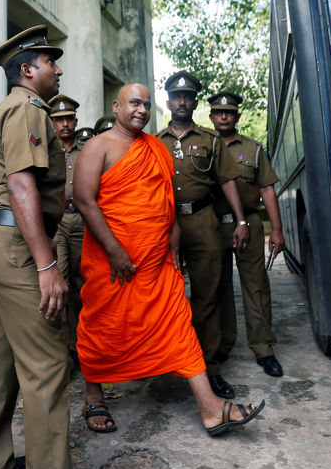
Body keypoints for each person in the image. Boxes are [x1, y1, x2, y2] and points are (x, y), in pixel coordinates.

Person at [74, 83, 265, 436]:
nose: (141, 110)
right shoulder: (97, 147)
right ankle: (94, 396)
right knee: (104, 326)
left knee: (178, 323)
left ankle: (211, 408)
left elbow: (167, 199)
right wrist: (115, 250)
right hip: (112, 262)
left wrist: (174, 236)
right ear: (117, 106)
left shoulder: (155, 148)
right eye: (134, 103)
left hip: (156, 260)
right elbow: (85, 201)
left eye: (146, 104)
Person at [0, 25, 77, 469]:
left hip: (0, 243)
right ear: (28, 69)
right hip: (17, 247)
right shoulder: (28, 107)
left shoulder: (14, 108)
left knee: (1, 361)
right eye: (51, 61)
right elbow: (22, 186)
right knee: (48, 366)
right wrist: (47, 265)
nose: (58, 68)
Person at [155, 70, 250, 400]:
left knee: (207, 297)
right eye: (176, 96)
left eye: (188, 96)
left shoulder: (210, 140)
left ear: (195, 102)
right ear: (168, 102)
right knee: (165, 298)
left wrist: (242, 221)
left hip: (204, 222)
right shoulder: (153, 143)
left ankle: (209, 369)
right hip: (165, 228)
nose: (182, 101)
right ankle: (169, 362)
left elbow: (227, 181)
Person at [209, 91, 285, 377]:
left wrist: (276, 229)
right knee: (219, 287)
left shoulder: (253, 149)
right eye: (218, 112)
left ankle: (263, 348)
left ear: (237, 117)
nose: (224, 116)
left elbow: (267, 189)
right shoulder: (204, 146)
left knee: (256, 286)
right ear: (212, 117)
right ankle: (222, 345)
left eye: (229, 112)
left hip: (250, 224)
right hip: (215, 226)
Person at [49, 94, 84, 367]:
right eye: (59, 119)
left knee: (82, 286)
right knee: (60, 283)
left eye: (69, 118)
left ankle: (82, 345)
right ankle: (62, 351)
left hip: (82, 220)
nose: (65, 124)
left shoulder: (87, 150)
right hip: (56, 222)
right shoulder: (45, 151)